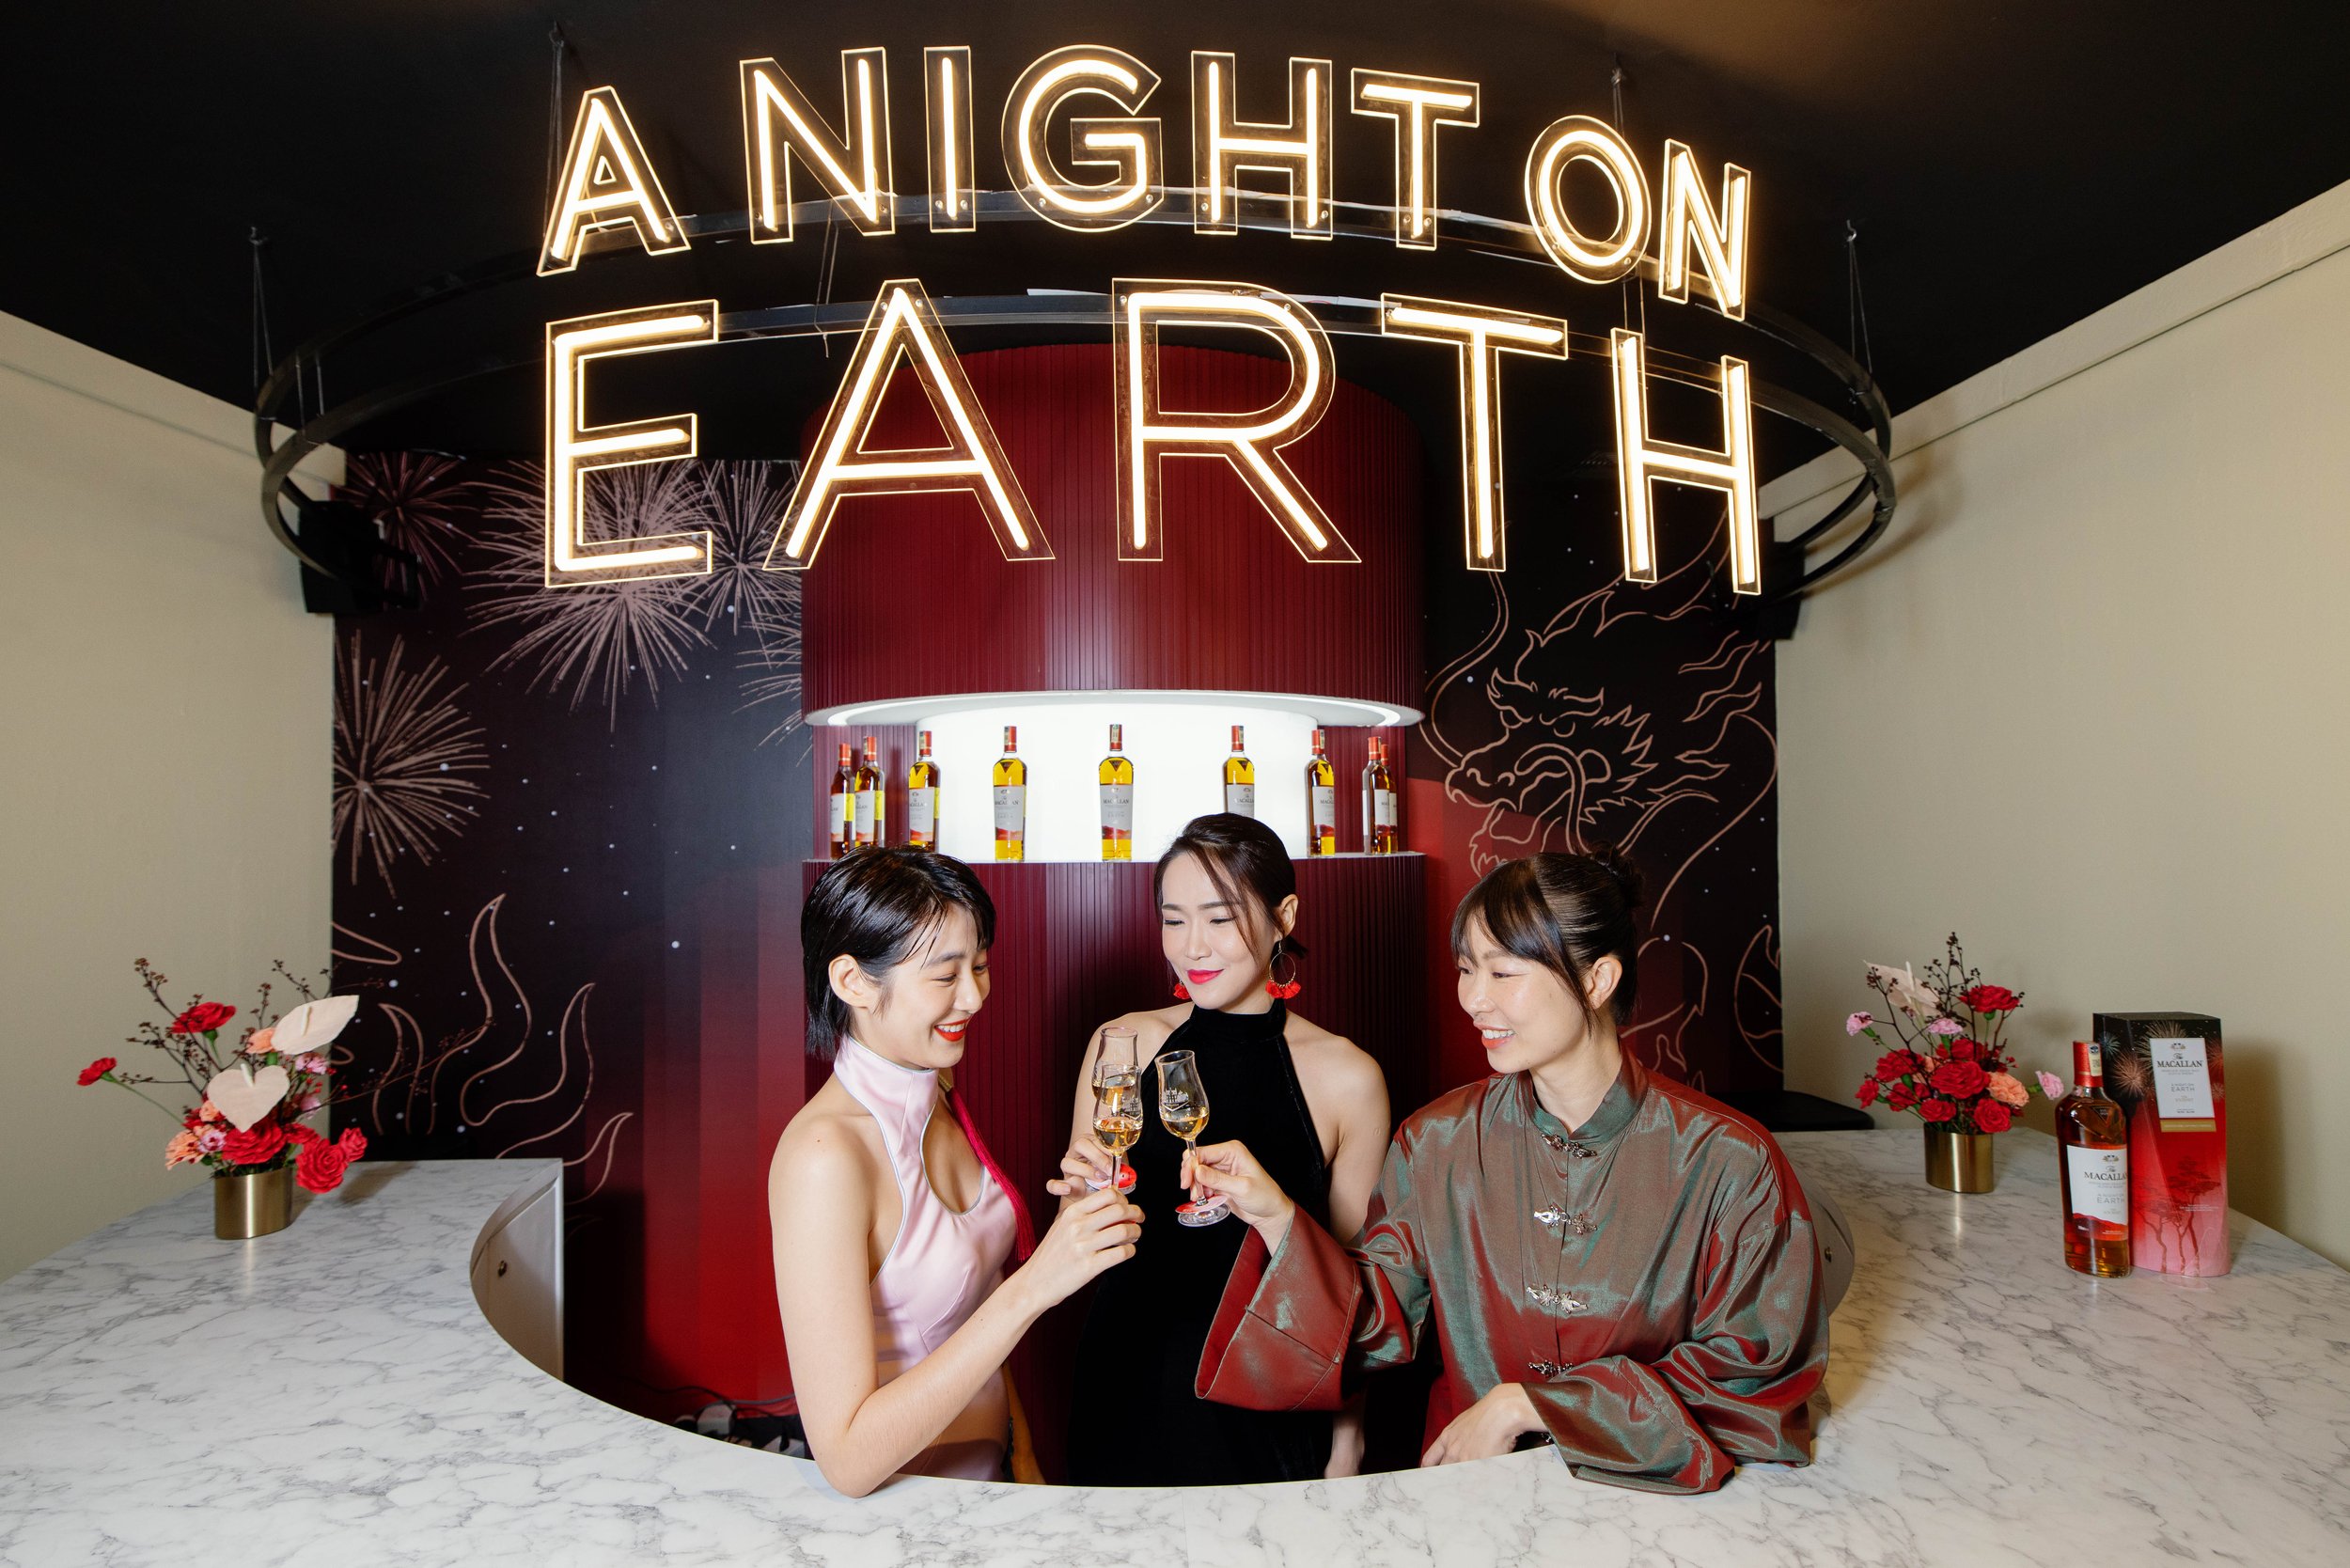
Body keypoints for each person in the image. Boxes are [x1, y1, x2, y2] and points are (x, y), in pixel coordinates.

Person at [1186, 848, 1825, 1495]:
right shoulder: (1436, 1142)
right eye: (1467, 969)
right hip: (1475, 1495)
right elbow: (1374, 1328)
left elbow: (1753, 1376)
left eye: (1502, 972)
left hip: (1648, 1507)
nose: (1472, 998)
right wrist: (1278, 1219)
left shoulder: (1729, 1159)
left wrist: (1533, 1405)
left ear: (1597, 981)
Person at [770, 849, 1143, 1497]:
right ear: (854, 982)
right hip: (908, 1517)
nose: (973, 996)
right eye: (945, 976)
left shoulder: (935, 1086)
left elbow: (968, 1316)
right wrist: (1038, 1284)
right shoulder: (823, 1158)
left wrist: (1023, 1461)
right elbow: (849, 1462)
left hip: (989, 1490)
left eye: (980, 966)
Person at [1049, 813, 1391, 1485]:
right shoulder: (1123, 1045)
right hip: (1126, 1394)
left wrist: (1347, 1444)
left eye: (1219, 918)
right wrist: (1083, 1200)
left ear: (1284, 916)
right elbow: (1075, 1254)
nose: (1192, 946)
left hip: (1267, 1411)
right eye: (1173, 920)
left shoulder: (1348, 1077)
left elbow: (1354, 1294)